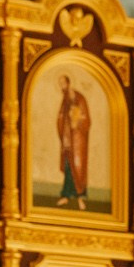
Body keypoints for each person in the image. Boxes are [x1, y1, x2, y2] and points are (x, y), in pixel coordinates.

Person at [54, 73, 91, 209]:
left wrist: (77, 123)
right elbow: (61, 118)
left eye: (63, 84)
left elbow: (86, 120)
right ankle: (66, 196)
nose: (61, 87)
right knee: (69, 167)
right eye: (60, 84)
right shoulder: (65, 100)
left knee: (78, 168)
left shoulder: (80, 98)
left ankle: (81, 197)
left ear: (68, 83)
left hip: (78, 141)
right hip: (68, 140)